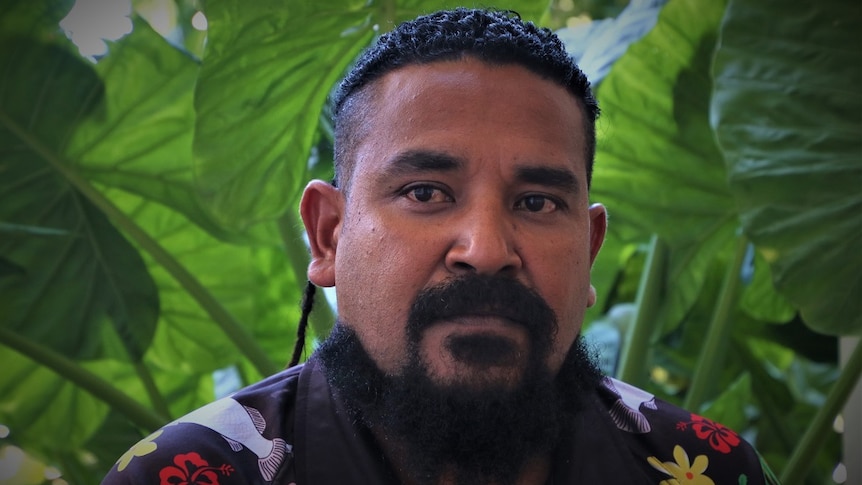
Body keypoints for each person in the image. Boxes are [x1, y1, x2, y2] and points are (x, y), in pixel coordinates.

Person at [102, 8, 779, 485]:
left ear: (590, 247)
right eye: (426, 192)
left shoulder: (705, 468)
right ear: (329, 233)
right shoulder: (192, 474)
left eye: (537, 202)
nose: (486, 249)